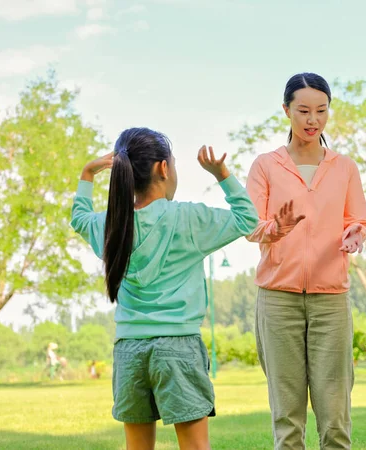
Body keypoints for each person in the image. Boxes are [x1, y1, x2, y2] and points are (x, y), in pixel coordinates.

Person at [71, 128, 258, 450]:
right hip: (179, 347)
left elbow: (79, 217)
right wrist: (222, 174)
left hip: (129, 350)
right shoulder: (187, 218)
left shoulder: (110, 224)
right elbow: (247, 219)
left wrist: (87, 173)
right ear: (163, 168)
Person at [246, 72, 366, 450]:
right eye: (303, 110)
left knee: (335, 417)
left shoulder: (344, 167)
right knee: (287, 417)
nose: (312, 119)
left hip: (330, 299)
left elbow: (358, 220)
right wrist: (275, 228)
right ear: (286, 111)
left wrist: (355, 234)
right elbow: (250, 226)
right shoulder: (266, 165)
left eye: (321, 110)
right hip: (277, 298)